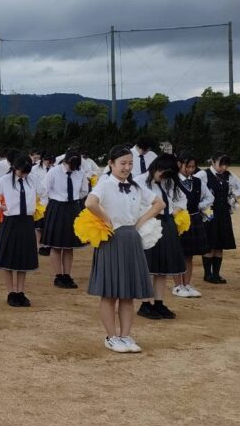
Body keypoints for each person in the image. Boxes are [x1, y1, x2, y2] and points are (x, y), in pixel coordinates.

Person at [84, 146, 163, 354]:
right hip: (111, 239)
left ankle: (126, 336)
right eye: (122, 163)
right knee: (109, 293)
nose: (127, 167)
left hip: (131, 239)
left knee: (128, 293)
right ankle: (111, 337)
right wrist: (106, 219)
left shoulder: (136, 186)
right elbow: (90, 202)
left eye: (130, 163)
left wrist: (141, 221)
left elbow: (159, 203)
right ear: (111, 163)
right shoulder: (105, 184)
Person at [137, 155, 186, 321]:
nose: (163, 177)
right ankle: (145, 303)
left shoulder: (169, 182)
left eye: (167, 175)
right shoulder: (139, 181)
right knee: (147, 267)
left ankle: (158, 302)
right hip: (148, 225)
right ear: (156, 167)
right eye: (162, 173)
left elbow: (182, 199)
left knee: (162, 267)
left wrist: (173, 213)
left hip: (167, 223)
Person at [0, 155, 40, 308]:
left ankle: (20, 292)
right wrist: (2, 207)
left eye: (26, 172)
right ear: (14, 168)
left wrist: (36, 207)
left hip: (26, 221)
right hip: (10, 222)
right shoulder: (4, 181)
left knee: (23, 259)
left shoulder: (32, 180)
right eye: (21, 172)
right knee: (9, 258)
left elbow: (44, 193)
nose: (24, 175)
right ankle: (11, 292)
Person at [42, 150, 90, 289]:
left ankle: (67, 275)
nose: (72, 169)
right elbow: (44, 190)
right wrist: (47, 206)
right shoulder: (53, 172)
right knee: (56, 245)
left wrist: (74, 200)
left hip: (72, 208)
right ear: (65, 161)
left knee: (69, 246)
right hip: (56, 207)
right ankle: (58, 276)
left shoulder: (80, 172)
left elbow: (84, 191)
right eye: (71, 165)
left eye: (75, 166)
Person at [196, 152, 240, 284]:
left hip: (223, 211)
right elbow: (194, 187)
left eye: (226, 165)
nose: (224, 168)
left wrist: (233, 197)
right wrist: (202, 203)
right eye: (221, 164)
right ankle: (208, 274)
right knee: (210, 242)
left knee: (220, 243)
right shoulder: (203, 174)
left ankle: (216, 274)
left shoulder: (229, 175)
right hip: (209, 211)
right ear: (213, 162)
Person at [173, 151, 213, 297]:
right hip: (177, 221)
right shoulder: (171, 181)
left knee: (189, 255)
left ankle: (187, 284)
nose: (190, 170)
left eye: (193, 167)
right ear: (179, 164)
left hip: (194, 219)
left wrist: (198, 206)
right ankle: (178, 286)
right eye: (187, 166)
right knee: (178, 254)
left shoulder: (198, 181)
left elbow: (210, 197)